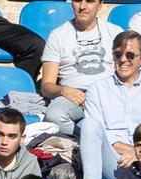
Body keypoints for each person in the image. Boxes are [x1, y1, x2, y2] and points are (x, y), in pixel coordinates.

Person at [81, 31, 141, 179]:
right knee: (89, 125)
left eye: (130, 55)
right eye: (118, 54)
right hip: (113, 159)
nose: (123, 60)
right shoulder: (97, 89)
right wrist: (134, 150)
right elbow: (97, 133)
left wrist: (138, 151)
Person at [39, 0, 121, 136]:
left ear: (100, 5)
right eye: (77, 1)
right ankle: (93, 140)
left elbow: (127, 72)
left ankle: (98, 141)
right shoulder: (58, 35)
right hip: (72, 95)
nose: (82, 7)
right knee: (54, 115)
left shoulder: (115, 32)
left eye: (89, 1)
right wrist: (64, 90)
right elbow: (46, 86)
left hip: (107, 93)